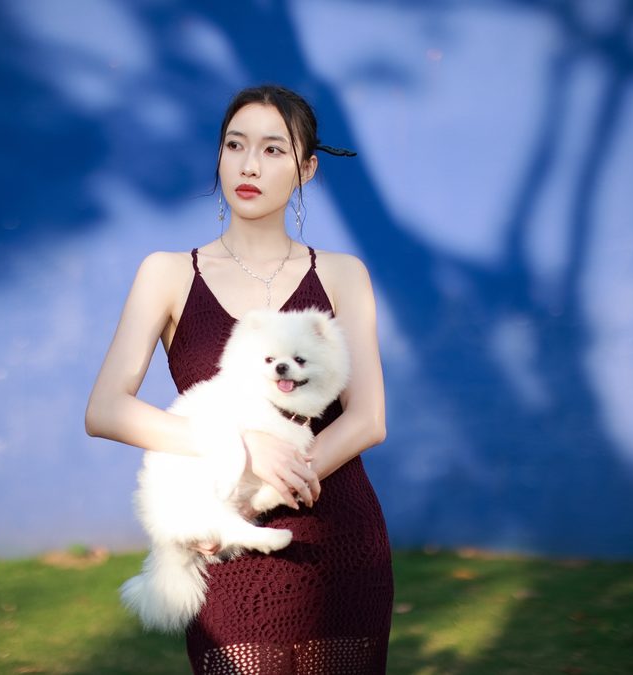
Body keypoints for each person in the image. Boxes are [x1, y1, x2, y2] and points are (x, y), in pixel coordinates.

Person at [85, 84, 393, 674]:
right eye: (235, 145)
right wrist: (241, 449)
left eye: (274, 150)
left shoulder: (342, 275)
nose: (249, 165)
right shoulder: (168, 273)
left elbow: (367, 419)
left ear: (306, 169)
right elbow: (105, 409)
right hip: (224, 550)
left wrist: (263, 493)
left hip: (338, 539)